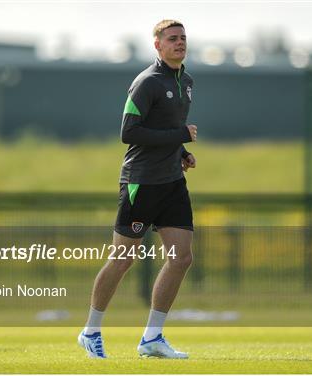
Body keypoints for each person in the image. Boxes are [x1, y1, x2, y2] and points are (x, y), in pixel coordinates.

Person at [78, 19, 197, 359]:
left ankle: (152, 338)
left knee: (182, 257)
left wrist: (183, 152)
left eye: (183, 38)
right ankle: (90, 331)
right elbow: (129, 133)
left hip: (172, 181)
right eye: (172, 39)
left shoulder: (186, 82)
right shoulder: (146, 83)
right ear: (157, 45)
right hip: (141, 182)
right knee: (123, 259)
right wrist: (181, 137)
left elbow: (169, 129)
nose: (179, 43)